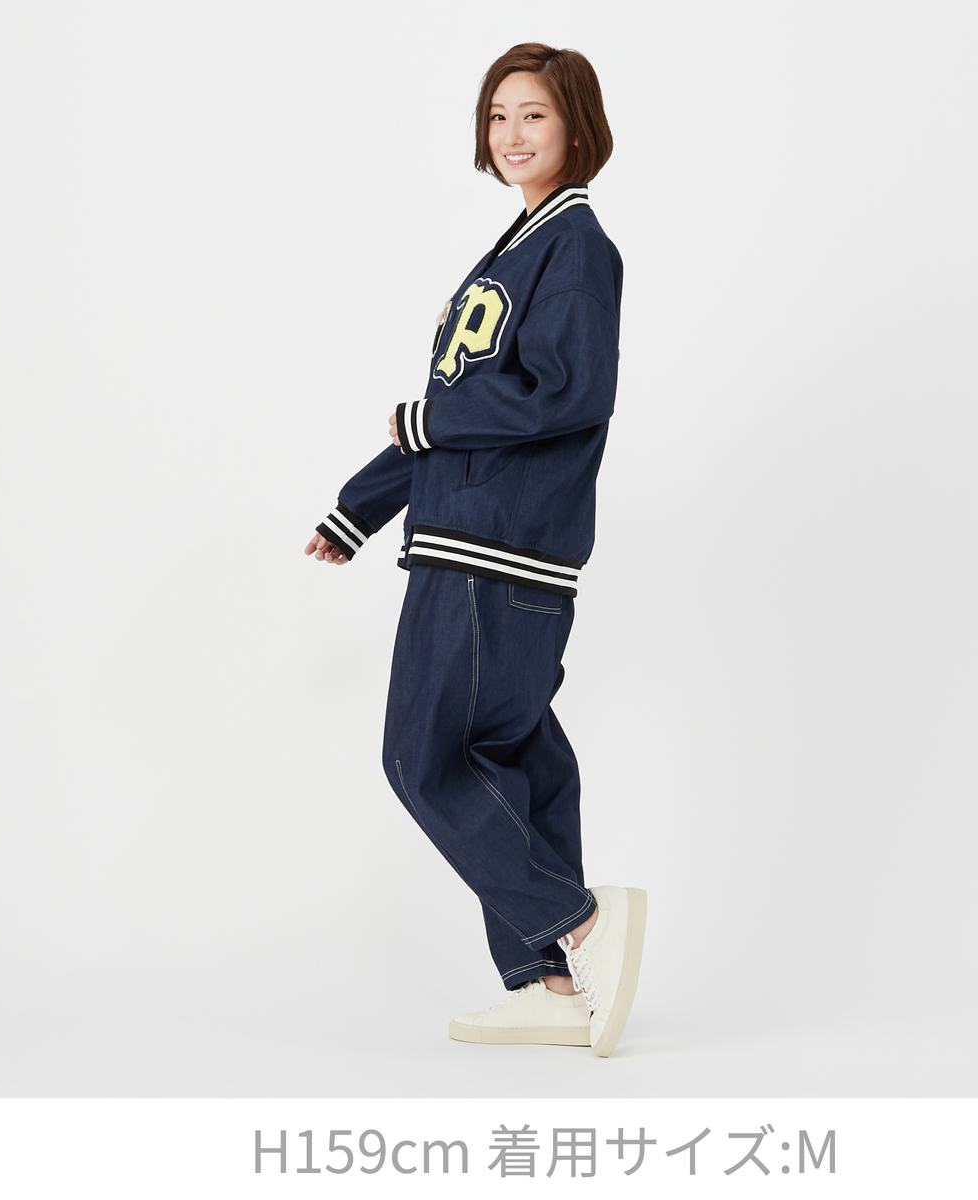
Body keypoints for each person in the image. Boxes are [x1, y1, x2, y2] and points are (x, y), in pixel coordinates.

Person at [304, 43, 643, 1057]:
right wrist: (361, 507)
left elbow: (565, 394)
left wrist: (430, 423)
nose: (512, 134)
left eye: (533, 114)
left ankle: (579, 923)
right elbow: (452, 411)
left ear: (577, 125)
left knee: (425, 757)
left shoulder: (574, 247)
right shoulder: (516, 249)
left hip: (491, 552)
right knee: (516, 762)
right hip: (481, 543)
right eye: (498, 116)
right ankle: (552, 985)